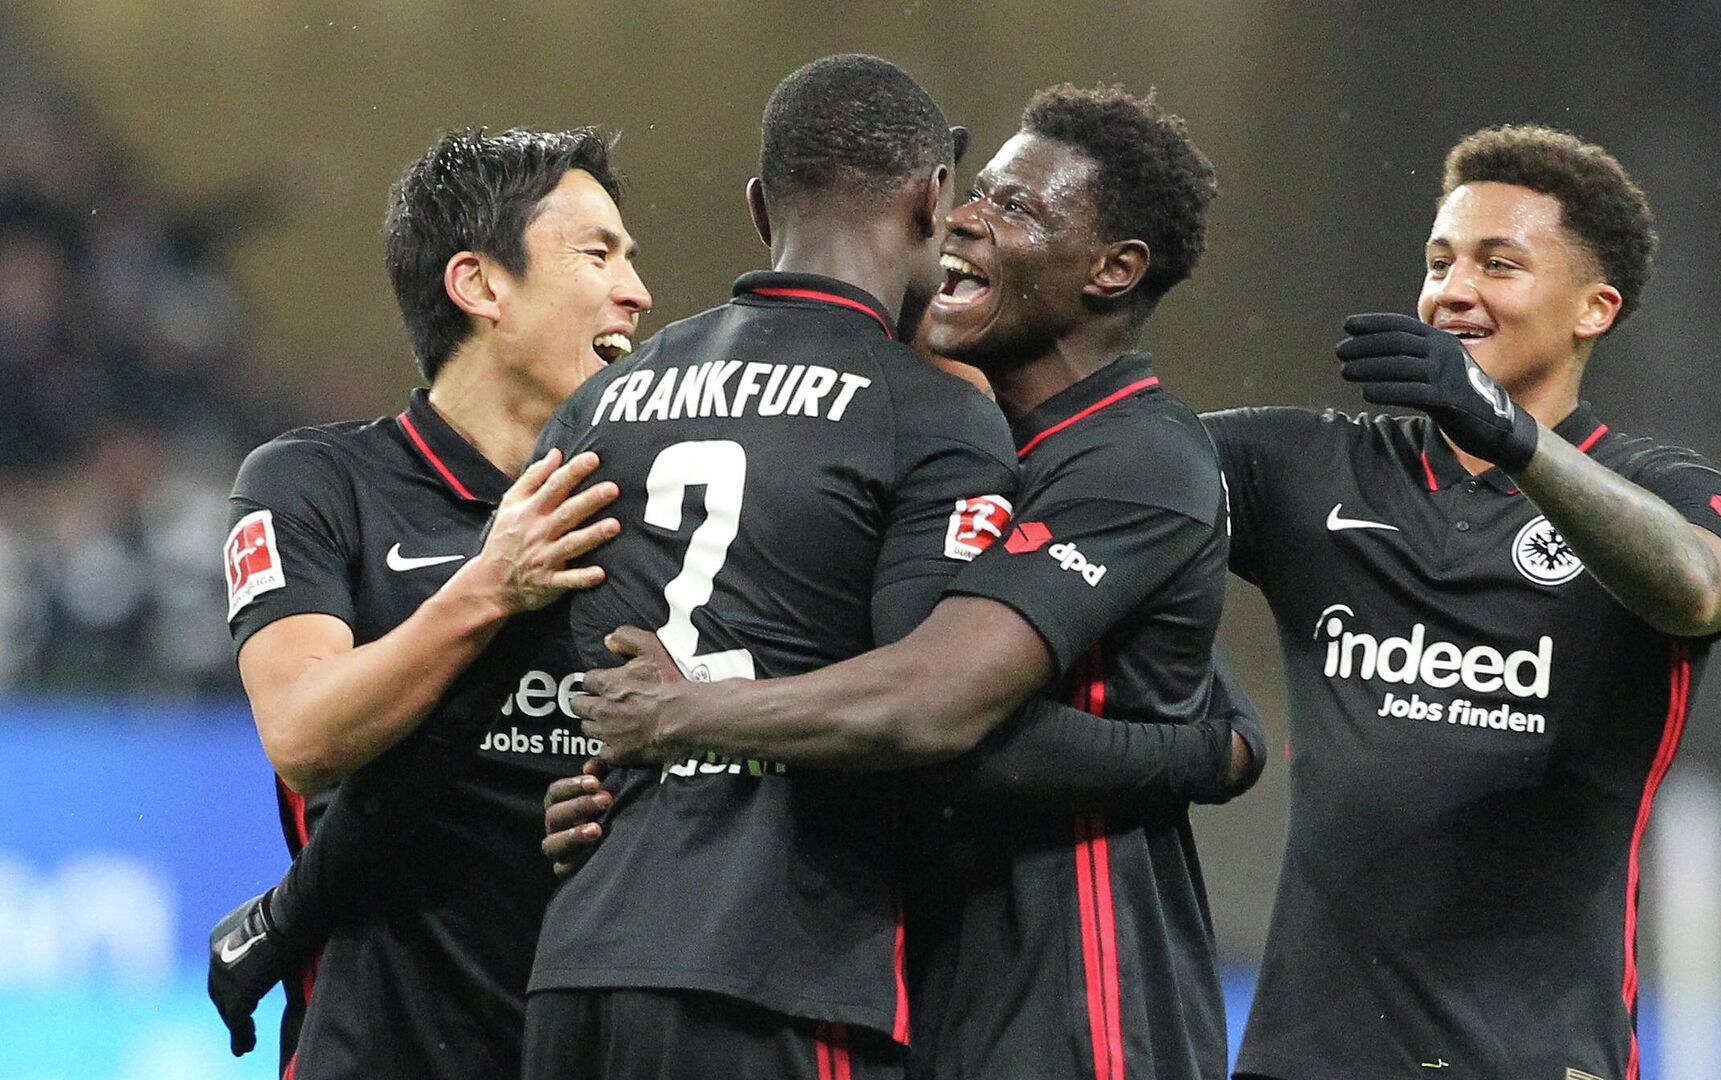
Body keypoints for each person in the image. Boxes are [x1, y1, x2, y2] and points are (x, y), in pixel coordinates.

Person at [562, 83, 1240, 1080]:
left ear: (1114, 269)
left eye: (1015, 206)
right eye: (976, 193)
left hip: (1076, 1000)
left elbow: (942, 715)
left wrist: (680, 718)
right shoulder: (939, 439)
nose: (966, 214)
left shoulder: (1140, 456)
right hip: (912, 980)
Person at [1203, 124, 1721, 1080]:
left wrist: (1513, 440)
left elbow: (1700, 593)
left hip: (1533, 1058)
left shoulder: (1653, 482)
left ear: (1595, 308)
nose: (1454, 290)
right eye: (1440, 260)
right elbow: (1110, 463)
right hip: (1308, 1056)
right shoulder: (1305, 466)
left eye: (1501, 265)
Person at [209, 126, 646, 1079]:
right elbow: (303, 731)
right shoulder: (316, 485)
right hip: (382, 1045)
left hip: (607, 1041)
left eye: (632, 259)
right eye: (598, 254)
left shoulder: (656, 506)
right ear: (480, 286)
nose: (637, 292)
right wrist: (492, 584)